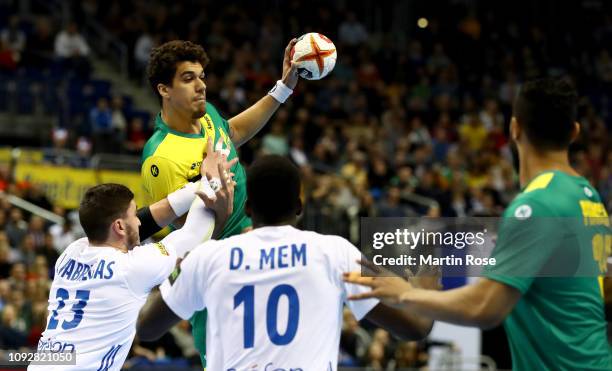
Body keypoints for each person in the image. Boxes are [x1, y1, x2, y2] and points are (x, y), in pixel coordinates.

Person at [344, 78, 612, 370]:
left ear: (514, 128)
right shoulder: (587, 194)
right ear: (574, 132)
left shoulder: (536, 206)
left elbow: (485, 308)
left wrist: (405, 294)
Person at [136, 155, 435, 370]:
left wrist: (183, 265)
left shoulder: (207, 258)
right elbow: (415, 328)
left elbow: (147, 329)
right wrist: (429, 282)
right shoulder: (336, 253)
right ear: (299, 207)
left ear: (249, 208)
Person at [141, 38, 299, 365]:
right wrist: (218, 198)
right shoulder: (162, 159)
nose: (201, 86)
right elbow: (189, 243)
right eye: (188, 78)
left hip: (253, 237)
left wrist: (282, 89)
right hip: (216, 269)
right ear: (164, 90)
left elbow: (234, 131)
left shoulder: (207, 114)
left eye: (201, 76)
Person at [28, 144, 235, 371]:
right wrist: (212, 181)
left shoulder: (71, 253)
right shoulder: (131, 268)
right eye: (132, 214)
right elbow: (194, 234)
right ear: (118, 225)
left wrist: (196, 186)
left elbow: (148, 218)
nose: (138, 220)